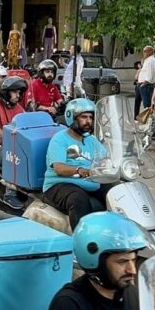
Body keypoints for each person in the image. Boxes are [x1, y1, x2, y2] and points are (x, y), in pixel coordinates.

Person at [42, 98, 114, 230]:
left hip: (90, 182)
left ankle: (116, 233)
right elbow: (59, 168)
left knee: (116, 191)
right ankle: (80, 239)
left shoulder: (91, 140)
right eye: (84, 117)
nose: (88, 121)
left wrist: (109, 163)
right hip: (58, 184)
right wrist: (80, 170)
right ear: (72, 118)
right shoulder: (59, 139)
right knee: (78, 198)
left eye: (91, 117)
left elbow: (106, 157)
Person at [0, 72, 27, 210]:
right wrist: (12, 140)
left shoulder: (19, 109)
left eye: (19, 92)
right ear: (6, 93)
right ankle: (10, 193)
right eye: (14, 92)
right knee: (13, 156)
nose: (18, 96)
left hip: (15, 146)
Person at [136, 46, 155, 113]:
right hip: (145, 84)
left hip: (146, 85)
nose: (144, 53)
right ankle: (147, 119)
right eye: (143, 51)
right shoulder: (148, 60)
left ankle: (149, 119)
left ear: (151, 51)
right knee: (145, 104)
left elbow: (150, 74)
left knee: (147, 104)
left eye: (145, 51)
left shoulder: (151, 61)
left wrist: (143, 84)